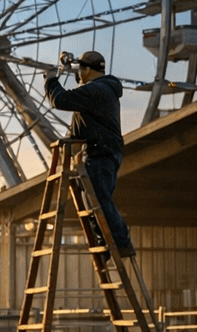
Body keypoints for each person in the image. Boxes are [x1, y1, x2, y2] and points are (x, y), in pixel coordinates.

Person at [45, 50, 133, 257]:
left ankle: (120, 241)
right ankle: (106, 243)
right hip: (103, 152)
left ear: (86, 70)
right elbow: (79, 122)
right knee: (94, 202)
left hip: (101, 152)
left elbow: (60, 100)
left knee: (100, 200)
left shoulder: (96, 91)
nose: (77, 75)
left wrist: (51, 80)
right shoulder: (100, 91)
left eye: (79, 70)